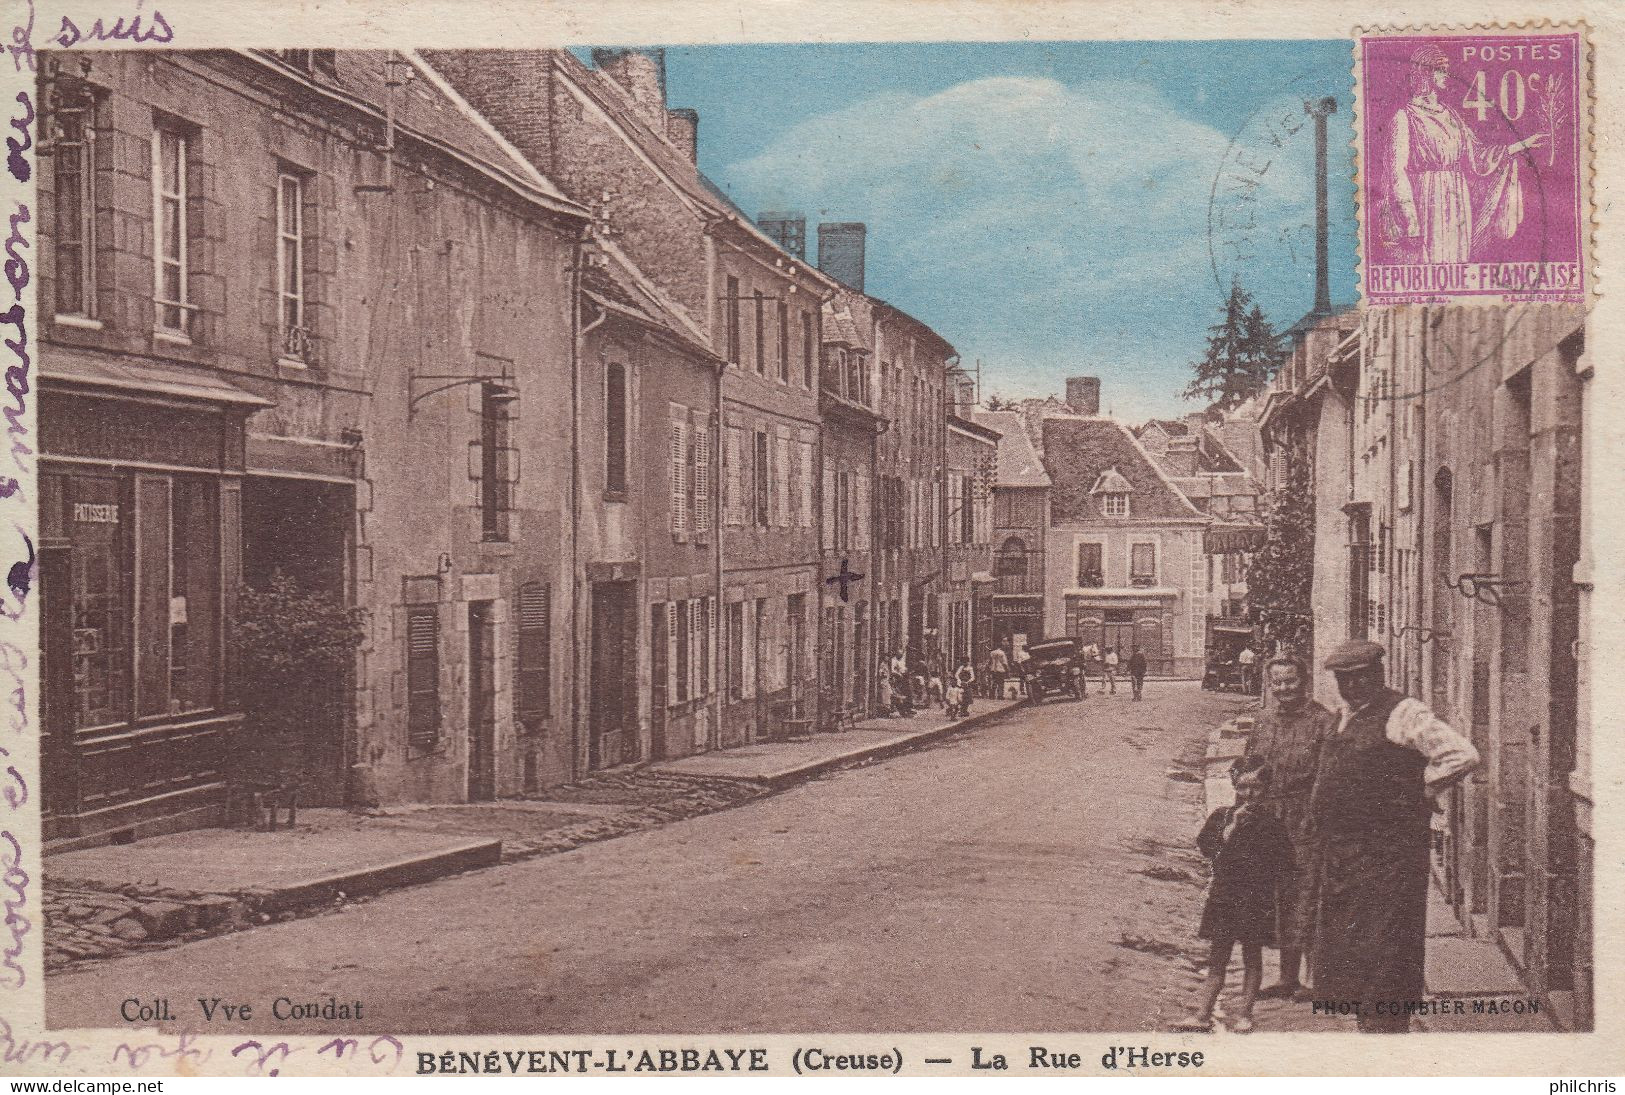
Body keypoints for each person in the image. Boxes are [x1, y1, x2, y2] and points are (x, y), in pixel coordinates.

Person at [1308, 640, 1479, 1033]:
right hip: (1347, 852)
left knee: (1388, 935)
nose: (1348, 687)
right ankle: (1367, 1018)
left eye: (1357, 679)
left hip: (1390, 852)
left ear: (1376, 676)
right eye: (1342, 680)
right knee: (1352, 935)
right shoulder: (1345, 715)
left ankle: (1387, 1024)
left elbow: (1462, 755)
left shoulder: (1404, 713)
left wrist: (1419, 789)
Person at [1382, 44, 1546, 264]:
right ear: (1426, 74)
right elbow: (1396, 174)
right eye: (1441, 70)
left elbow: (1477, 156)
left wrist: (1523, 145)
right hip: (1428, 201)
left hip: (1457, 201)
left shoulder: (1450, 114)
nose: (1447, 75)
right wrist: (1411, 221)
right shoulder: (1404, 117)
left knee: (1456, 264)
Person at [1174, 755, 1292, 1034]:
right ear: (1233, 786)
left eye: (1256, 789)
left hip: (1256, 898)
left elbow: (1286, 862)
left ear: (1266, 790)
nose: (1248, 794)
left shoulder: (1273, 824)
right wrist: (1231, 829)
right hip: (1225, 895)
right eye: (1242, 787)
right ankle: (1202, 1013)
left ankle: (1245, 1014)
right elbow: (1207, 848)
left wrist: (1270, 880)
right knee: (1218, 956)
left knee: (1252, 955)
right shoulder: (1222, 816)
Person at [1242, 655, 1336, 1001]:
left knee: (1309, 896)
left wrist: (1317, 818)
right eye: (1277, 682)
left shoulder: (1323, 722)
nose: (1284, 689)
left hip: (1307, 821)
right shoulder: (1263, 720)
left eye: (1290, 682)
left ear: (1305, 682)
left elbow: (1328, 778)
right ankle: (1287, 978)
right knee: (1278, 898)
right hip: (1269, 820)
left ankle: (1317, 982)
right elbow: (1249, 767)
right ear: (1269, 685)